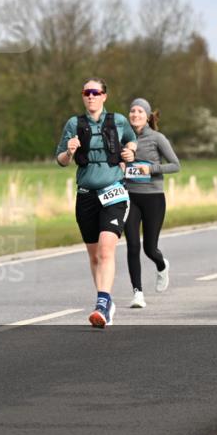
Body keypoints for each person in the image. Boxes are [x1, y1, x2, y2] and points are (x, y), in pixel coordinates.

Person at [55, 77, 138, 328]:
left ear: (104, 96)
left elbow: (132, 140)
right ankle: (106, 301)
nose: (90, 96)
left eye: (95, 92)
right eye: (86, 92)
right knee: (94, 256)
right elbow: (60, 160)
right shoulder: (74, 123)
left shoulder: (118, 120)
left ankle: (101, 303)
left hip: (114, 192)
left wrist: (130, 151)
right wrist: (69, 152)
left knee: (105, 250)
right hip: (86, 194)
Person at [123, 98, 180, 308]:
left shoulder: (157, 138)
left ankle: (161, 264)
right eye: (132, 111)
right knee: (132, 244)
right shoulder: (123, 138)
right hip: (129, 196)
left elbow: (176, 165)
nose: (135, 114)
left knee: (149, 248)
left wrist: (152, 169)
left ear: (147, 116)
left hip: (153, 198)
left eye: (139, 111)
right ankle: (137, 293)